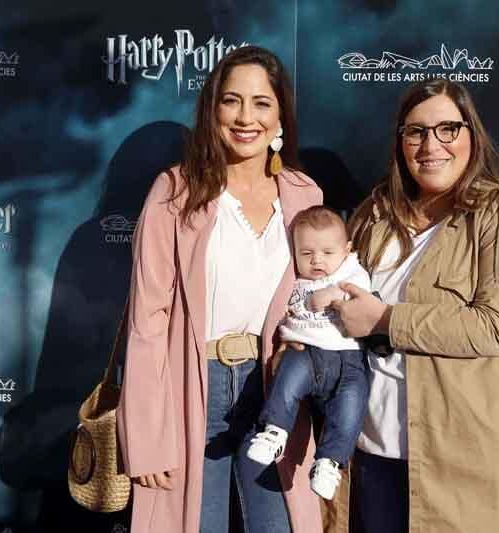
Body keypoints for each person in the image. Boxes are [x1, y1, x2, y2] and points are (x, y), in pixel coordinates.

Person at [329, 79, 499, 533]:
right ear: (401, 142)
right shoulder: (374, 216)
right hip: (375, 458)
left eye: (447, 129)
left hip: (470, 471)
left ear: (471, 135)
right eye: (415, 132)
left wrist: (385, 320)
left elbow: (493, 328)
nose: (430, 145)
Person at [116, 46, 324, 533]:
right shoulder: (175, 192)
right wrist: (145, 436)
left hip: (275, 393)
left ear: (280, 119)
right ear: (213, 110)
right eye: (232, 101)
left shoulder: (304, 195)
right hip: (191, 391)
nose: (245, 117)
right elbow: (147, 321)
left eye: (261, 103)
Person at [246, 206, 371, 501]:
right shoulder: (292, 279)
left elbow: (362, 293)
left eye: (328, 253)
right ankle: (274, 432)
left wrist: (332, 295)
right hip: (303, 352)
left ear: (346, 250)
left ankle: (330, 463)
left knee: (350, 408)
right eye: (307, 253)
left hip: (346, 359)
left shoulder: (350, 272)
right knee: (285, 387)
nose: (317, 261)